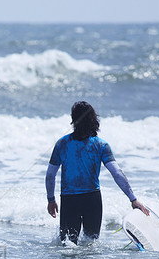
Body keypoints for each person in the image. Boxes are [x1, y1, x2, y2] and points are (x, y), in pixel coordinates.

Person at [46, 101, 149, 244]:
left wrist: (51, 200)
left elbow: (50, 175)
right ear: (93, 119)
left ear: (74, 120)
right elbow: (117, 173)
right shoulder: (101, 145)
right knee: (91, 246)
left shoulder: (62, 144)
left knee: (67, 246)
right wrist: (133, 199)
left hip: (69, 200)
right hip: (92, 200)